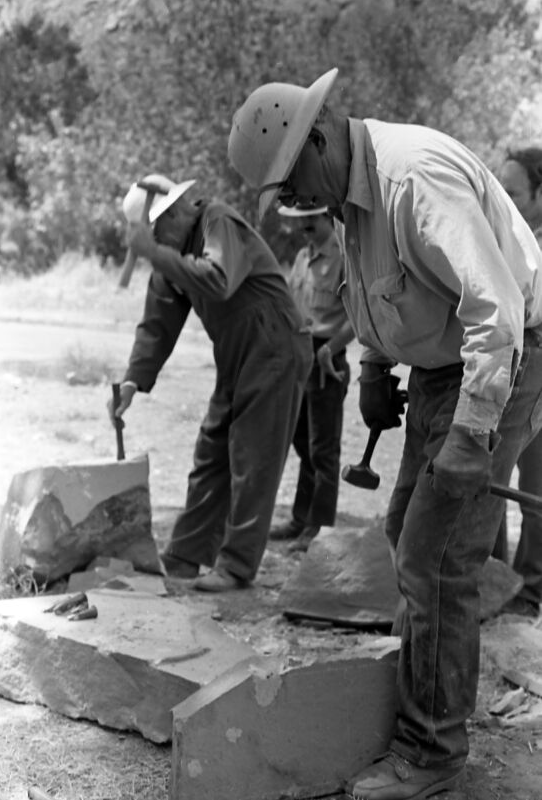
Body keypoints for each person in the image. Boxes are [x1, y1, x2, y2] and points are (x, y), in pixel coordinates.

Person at [228, 69, 542, 799]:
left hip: (505, 356)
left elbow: (492, 307)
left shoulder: (413, 178)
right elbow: (380, 289)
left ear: (316, 135)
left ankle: (431, 751)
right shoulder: (346, 193)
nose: (293, 201)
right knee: (406, 530)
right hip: (441, 365)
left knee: (435, 554)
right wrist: (373, 365)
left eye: (289, 179)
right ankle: (428, 692)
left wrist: (471, 430)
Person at [109, 173, 312, 593]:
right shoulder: (170, 255)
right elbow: (157, 324)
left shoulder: (217, 220)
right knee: (211, 450)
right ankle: (185, 554)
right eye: (156, 229)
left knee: (253, 454)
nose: (162, 233)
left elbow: (218, 280)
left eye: (166, 222)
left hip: (275, 342)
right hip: (236, 353)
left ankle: (237, 566)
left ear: (184, 209)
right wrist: (133, 380)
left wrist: (155, 254)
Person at [269, 204, 354, 551]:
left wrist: (330, 348)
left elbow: (359, 315)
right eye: (300, 219)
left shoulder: (343, 256)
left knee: (323, 449)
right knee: (301, 441)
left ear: (327, 218)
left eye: (311, 219)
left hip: (326, 358)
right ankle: (301, 519)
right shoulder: (304, 256)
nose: (304, 225)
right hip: (300, 354)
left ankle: (319, 528)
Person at [496, 146, 542, 617]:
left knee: (534, 494)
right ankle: (492, 582)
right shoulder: (509, 238)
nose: (505, 200)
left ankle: (528, 593)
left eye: (514, 192)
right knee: (487, 481)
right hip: (506, 374)